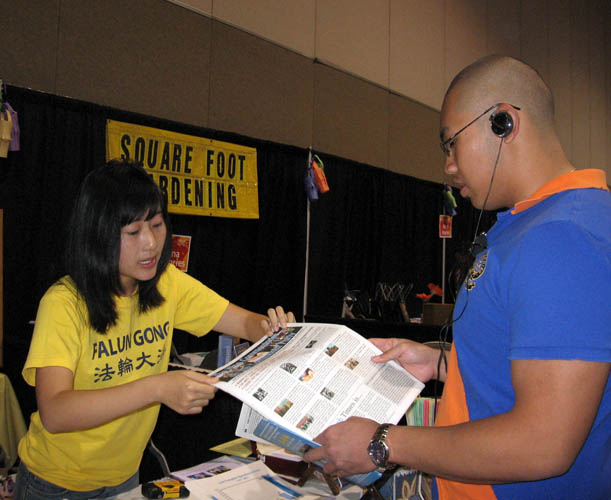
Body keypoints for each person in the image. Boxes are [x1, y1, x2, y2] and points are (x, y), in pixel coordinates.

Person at [304, 55, 610, 499]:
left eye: (451, 143)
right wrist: (440, 362)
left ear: (503, 123)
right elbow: (537, 368)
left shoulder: (562, 237)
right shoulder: (536, 225)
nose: (448, 165)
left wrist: (382, 443)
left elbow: (543, 443)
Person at [15, 160, 295, 499]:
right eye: (133, 232)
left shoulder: (166, 284)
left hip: (124, 476)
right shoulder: (64, 303)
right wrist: (157, 388)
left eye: (157, 225)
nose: (150, 243)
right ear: (99, 234)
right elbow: (56, 412)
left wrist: (271, 328)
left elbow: (244, 322)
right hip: (55, 484)